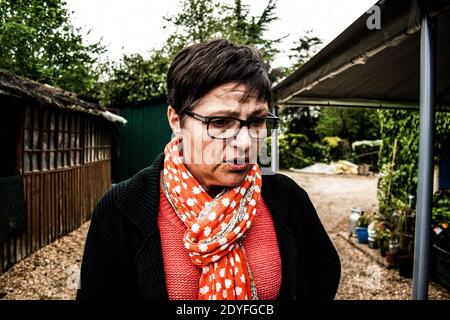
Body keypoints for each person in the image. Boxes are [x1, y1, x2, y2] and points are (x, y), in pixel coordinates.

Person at [76, 39, 340, 300]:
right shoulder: (121, 208)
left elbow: (321, 277)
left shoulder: (286, 198)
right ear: (177, 120)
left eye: (257, 121)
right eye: (221, 122)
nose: (246, 143)